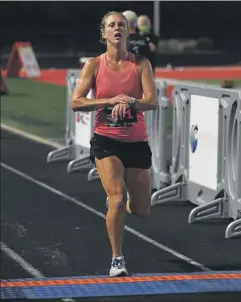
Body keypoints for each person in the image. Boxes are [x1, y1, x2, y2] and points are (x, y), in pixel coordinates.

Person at [71, 11, 157, 277]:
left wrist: (131, 102)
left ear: (129, 31)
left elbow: (152, 101)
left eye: (122, 24)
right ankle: (117, 258)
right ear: (104, 34)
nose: (117, 28)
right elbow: (77, 102)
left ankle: (124, 202)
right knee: (117, 199)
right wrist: (108, 101)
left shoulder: (142, 64)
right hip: (106, 139)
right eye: (111, 25)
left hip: (136, 141)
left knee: (141, 209)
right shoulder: (94, 65)